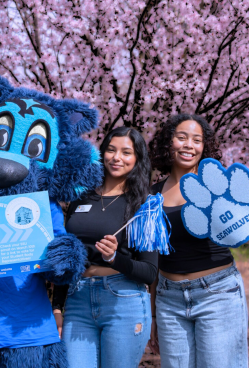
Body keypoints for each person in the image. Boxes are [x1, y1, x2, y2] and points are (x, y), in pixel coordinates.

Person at [148, 114, 249, 368]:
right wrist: (153, 314)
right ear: (168, 143)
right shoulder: (152, 195)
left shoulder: (217, 186)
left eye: (197, 140)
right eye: (181, 138)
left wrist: (244, 232)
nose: (188, 145)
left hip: (217, 294)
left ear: (205, 147)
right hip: (169, 300)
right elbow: (154, 258)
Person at [53, 127, 158, 367]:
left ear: (138, 159)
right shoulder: (81, 197)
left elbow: (150, 272)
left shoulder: (144, 205)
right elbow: (67, 256)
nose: (117, 157)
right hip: (77, 298)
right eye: (111, 150)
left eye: (126, 152)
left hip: (124, 300)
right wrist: (57, 307)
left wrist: (114, 258)